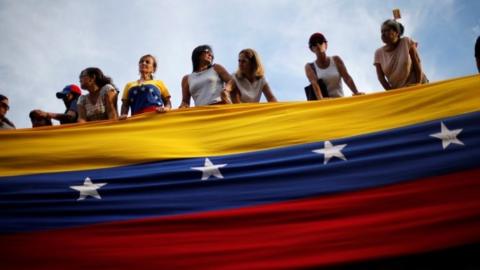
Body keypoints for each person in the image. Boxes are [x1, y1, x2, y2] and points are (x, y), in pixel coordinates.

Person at [304, 33, 363, 99]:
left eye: (320, 42)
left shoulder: (336, 60)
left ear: (326, 45)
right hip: (326, 106)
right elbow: (315, 84)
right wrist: (321, 100)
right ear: (311, 49)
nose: (318, 45)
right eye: (314, 43)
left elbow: (347, 78)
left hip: (340, 102)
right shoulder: (309, 67)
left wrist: (356, 93)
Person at [374, 19, 428, 90]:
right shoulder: (378, 53)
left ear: (396, 32)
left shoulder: (406, 41)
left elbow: (417, 62)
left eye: (386, 30)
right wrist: (391, 92)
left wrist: (418, 83)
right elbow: (381, 78)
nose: (383, 34)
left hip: (419, 85)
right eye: (382, 32)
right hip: (400, 92)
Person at [120, 54, 171, 119]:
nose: (143, 63)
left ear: (153, 69)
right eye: (141, 62)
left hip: (156, 116)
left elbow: (167, 101)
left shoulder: (159, 83)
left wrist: (166, 108)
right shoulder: (129, 85)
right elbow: (125, 104)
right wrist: (123, 115)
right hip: (136, 118)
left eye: (147, 62)